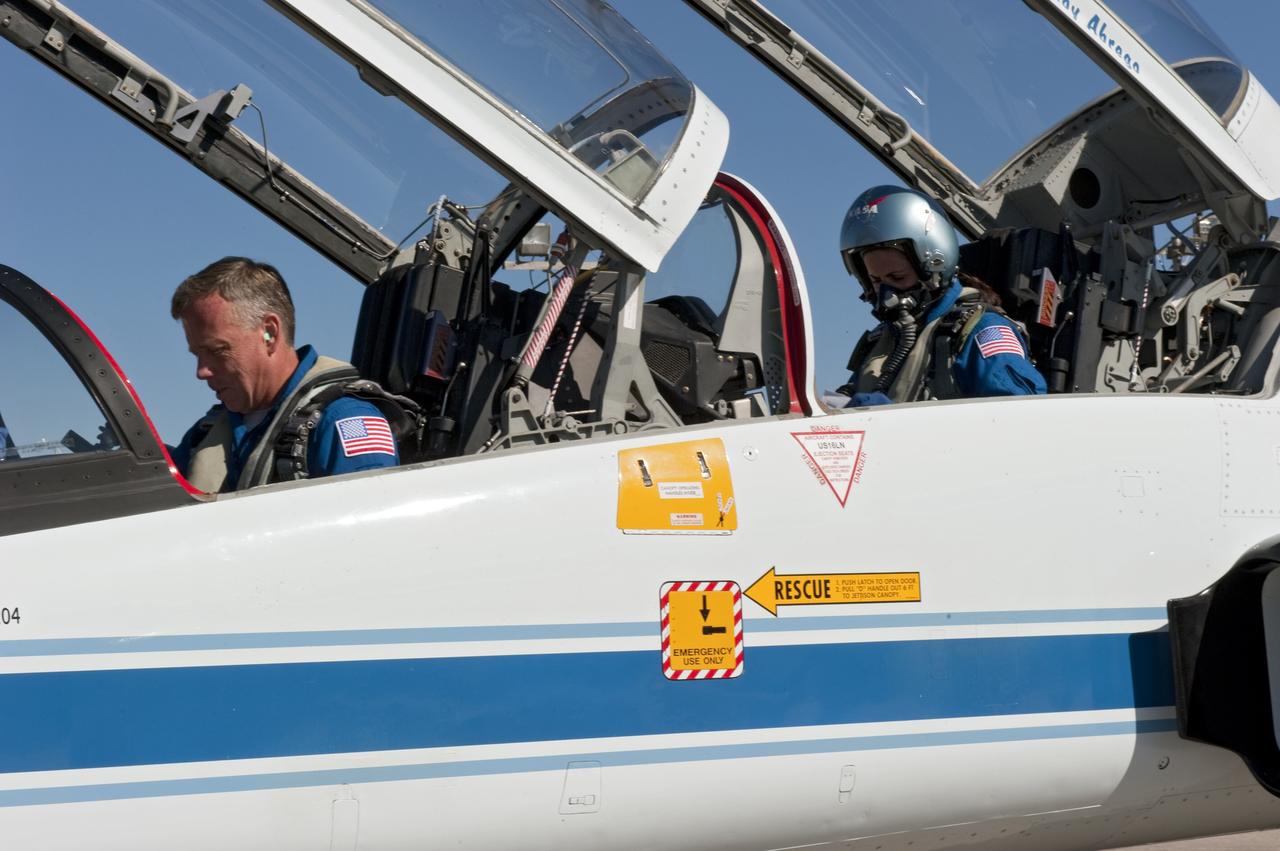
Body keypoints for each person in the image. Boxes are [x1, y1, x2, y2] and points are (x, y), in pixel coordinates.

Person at [170, 257, 403, 493]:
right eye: (197, 355)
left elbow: (371, 520)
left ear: (269, 333)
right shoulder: (205, 433)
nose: (201, 371)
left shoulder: (346, 421)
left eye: (218, 350)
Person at [835, 185, 1046, 406]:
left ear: (935, 266)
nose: (887, 294)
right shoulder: (883, 339)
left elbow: (1020, 418)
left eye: (897, 277)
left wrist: (901, 424)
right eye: (876, 281)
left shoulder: (983, 331)